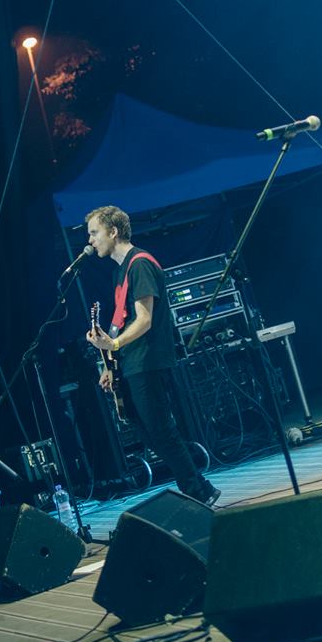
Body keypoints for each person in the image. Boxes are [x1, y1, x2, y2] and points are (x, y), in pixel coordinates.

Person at [85, 205, 220, 506]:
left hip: (147, 359)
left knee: (160, 429)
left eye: (94, 233)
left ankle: (199, 491)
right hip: (131, 362)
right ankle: (199, 486)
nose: (90, 241)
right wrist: (109, 363)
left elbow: (144, 320)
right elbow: (121, 322)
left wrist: (114, 344)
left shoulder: (140, 264)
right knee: (147, 430)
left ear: (113, 231)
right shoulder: (120, 272)